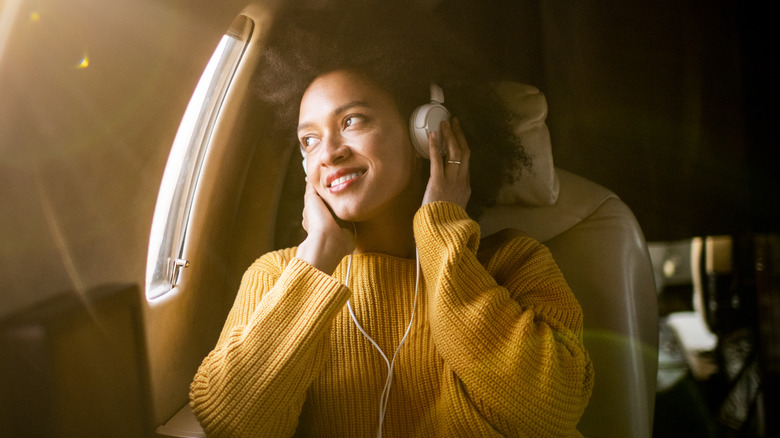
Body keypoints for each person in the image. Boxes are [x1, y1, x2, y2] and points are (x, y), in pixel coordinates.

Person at [190, 2, 593, 436]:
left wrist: (441, 231)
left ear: (426, 133)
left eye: (352, 120)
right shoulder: (276, 277)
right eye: (309, 140)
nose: (328, 152)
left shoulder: (514, 263)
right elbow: (230, 424)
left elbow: (550, 409)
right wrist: (319, 258)